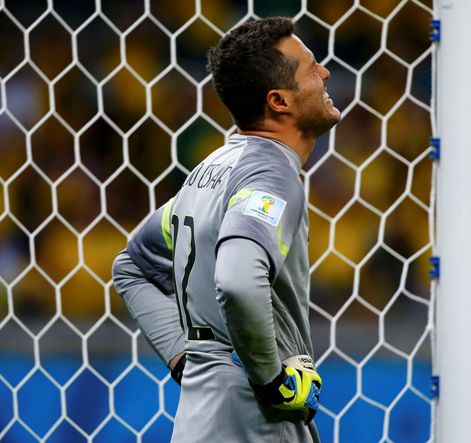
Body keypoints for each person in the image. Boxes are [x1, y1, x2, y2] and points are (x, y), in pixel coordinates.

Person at [112, 16, 341, 443]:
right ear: (279, 101)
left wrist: (187, 357)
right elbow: (237, 279)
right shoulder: (271, 174)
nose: (325, 73)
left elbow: (133, 266)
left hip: (203, 415)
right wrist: (272, 380)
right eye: (312, 68)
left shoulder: (210, 171)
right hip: (249, 421)